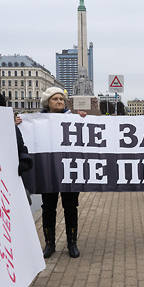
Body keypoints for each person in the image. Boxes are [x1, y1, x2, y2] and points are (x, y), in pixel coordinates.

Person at [39, 87, 85, 259]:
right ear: (47, 102)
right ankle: (49, 243)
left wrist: (84, 120)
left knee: (71, 207)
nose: (59, 101)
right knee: (48, 208)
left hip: (69, 170)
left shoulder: (73, 119)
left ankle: (71, 242)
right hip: (48, 170)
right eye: (55, 99)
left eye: (61, 99)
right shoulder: (37, 121)